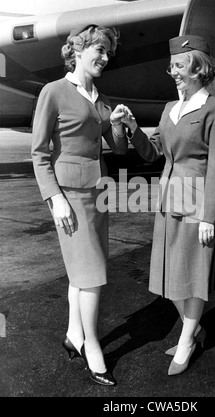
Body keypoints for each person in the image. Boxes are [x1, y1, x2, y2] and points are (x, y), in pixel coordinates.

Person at [120, 34, 215, 375]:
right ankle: (194, 327)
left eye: (180, 65)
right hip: (169, 199)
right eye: (171, 65)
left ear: (199, 68)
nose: (173, 71)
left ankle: (186, 340)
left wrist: (209, 215)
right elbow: (153, 151)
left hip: (196, 201)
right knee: (171, 275)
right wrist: (131, 129)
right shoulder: (171, 109)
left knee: (193, 273)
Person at [31, 24, 129, 386]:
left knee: (84, 272)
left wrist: (116, 123)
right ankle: (92, 346)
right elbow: (39, 153)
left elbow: (117, 148)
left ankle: (74, 334)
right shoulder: (54, 92)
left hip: (97, 194)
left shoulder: (99, 100)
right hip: (69, 196)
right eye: (99, 50)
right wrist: (54, 198)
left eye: (108, 53)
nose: (105, 58)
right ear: (78, 49)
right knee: (91, 277)